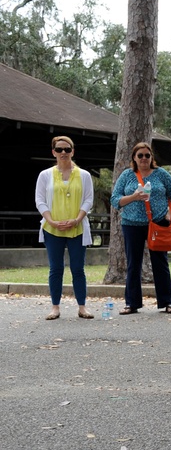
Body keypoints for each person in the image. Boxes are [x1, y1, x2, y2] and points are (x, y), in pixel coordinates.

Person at [111, 142, 171, 315]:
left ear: (152, 157)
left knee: (160, 263)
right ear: (134, 158)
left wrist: (169, 213)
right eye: (140, 155)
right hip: (131, 224)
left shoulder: (161, 174)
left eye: (147, 155)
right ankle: (132, 303)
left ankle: (167, 302)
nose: (144, 158)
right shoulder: (127, 175)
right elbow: (115, 200)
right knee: (133, 264)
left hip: (157, 223)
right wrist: (133, 197)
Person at [34, 136, 94, 320]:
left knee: (78, 268)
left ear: (73, 151)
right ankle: (55, 307)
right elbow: (40, 200)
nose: (63, 153)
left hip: (77, 228)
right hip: (53, 229)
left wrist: (77, 219)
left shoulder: (84, 175)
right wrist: (51, 221)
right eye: (59, 149)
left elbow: (88, 200)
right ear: (53, 152)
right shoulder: (45, 175)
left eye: (67, 149)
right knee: (56, 268)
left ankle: (82, 307)